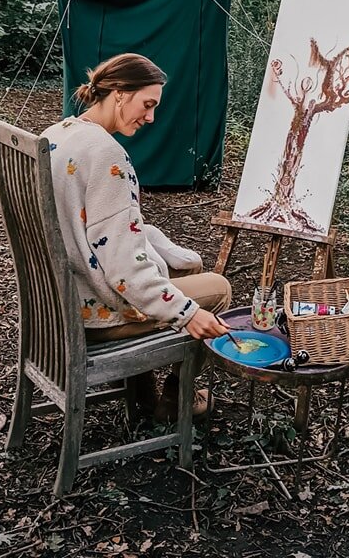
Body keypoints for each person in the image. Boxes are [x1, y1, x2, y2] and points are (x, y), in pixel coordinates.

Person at [41, 53, 233, 423]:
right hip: (91, 314)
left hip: (54, 300)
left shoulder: (57, 134)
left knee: (172, 271)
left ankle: (144, 399)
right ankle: (177, 401)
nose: (151, 117)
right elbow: (126, 269)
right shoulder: (106, 155)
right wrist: (187, 313)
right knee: (218, 289)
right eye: (147, 104)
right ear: (118, 93)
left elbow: (90, 225)